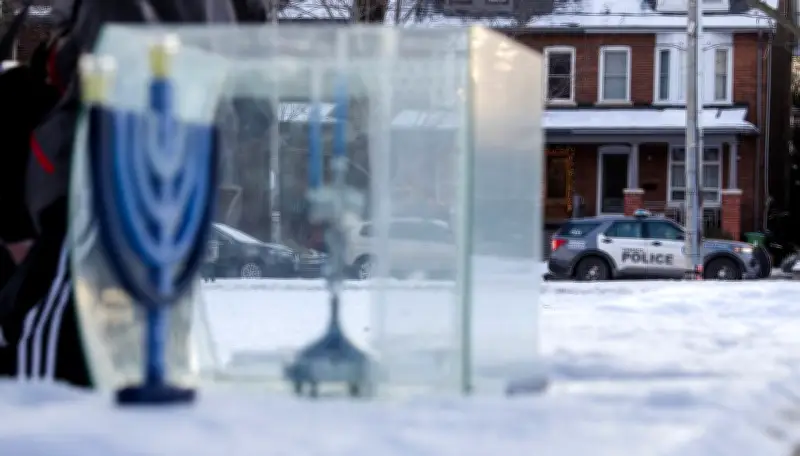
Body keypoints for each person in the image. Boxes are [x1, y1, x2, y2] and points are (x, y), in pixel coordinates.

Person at [0, 0, 263, 388]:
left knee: (60, 384)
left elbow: (131, 51)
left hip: (102, 189)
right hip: (140, 187)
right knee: (131, 373)